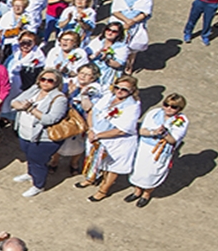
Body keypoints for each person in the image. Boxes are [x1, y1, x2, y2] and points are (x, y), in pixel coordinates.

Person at [80, 75, 141, 202]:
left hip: (117, 141)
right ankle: (91, 178)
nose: (119, 91)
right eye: (117, 87)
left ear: (132, 91)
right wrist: (91, 129)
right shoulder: (108, 97)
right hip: (96, 134)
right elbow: (92, 111)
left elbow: (121, 130)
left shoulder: (133, 106)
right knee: (95, 159)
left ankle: (103, 190)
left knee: (112, 167)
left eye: (124, 90)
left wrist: (97, 135)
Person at [11, 69, 69, 198]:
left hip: (44, 137)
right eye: (43, 79)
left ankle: (38, 185)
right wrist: (20, 106)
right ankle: (31, 174)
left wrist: (30, 109)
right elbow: (14, 101)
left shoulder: (60, 99)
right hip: (25, 132)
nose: (45, 82)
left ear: (57, 83)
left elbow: (50, 119)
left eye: (50, 80)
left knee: (38, 161)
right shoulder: (34, 89)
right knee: (29, 156)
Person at [128, 93, 190, 207]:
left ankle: (146, 194)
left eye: (173, 107)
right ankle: (137, 191)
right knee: (139, 169)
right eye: (166, 105)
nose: (168, 108)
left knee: (152, 173)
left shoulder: (181, 120)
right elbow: (142, 131)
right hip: (145, 146)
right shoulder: (154, 113)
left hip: (160, 151)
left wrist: (165, 133)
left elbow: (173, 140)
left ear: (180, 108)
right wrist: (154, 132)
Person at [109, 0, 153, 73]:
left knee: (132, 48)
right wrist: (126, 21)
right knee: (116, 43)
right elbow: (115, 10)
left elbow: (145, 12)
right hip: (120, 22)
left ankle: (129, 65)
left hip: (135, 24)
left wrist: (133, 21)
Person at [84, 22, 128, 87]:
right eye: (108, 29)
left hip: (107, 76)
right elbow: (86, 55)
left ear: (119, 33)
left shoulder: (122, 47)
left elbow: (118, 64)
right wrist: (94, 56)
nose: (110, 33)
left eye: (114, 31)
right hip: (91, 73)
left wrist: (106, 59)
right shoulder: (97, 41)